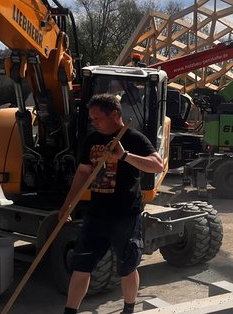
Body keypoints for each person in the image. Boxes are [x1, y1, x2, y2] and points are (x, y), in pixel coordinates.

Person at [59, 94, 164, 314]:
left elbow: (157, 166)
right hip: (96, 215)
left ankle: (128, 309)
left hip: (125, 216)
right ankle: (70, 311)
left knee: (127, 266)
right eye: (91, 119)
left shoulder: (134, 138)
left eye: (97, 118)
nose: (93, 122)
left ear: (115, 115)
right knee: (81, 265)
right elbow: (82, 174)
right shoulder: (92, 140)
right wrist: (68, 204)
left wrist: (124, 155)